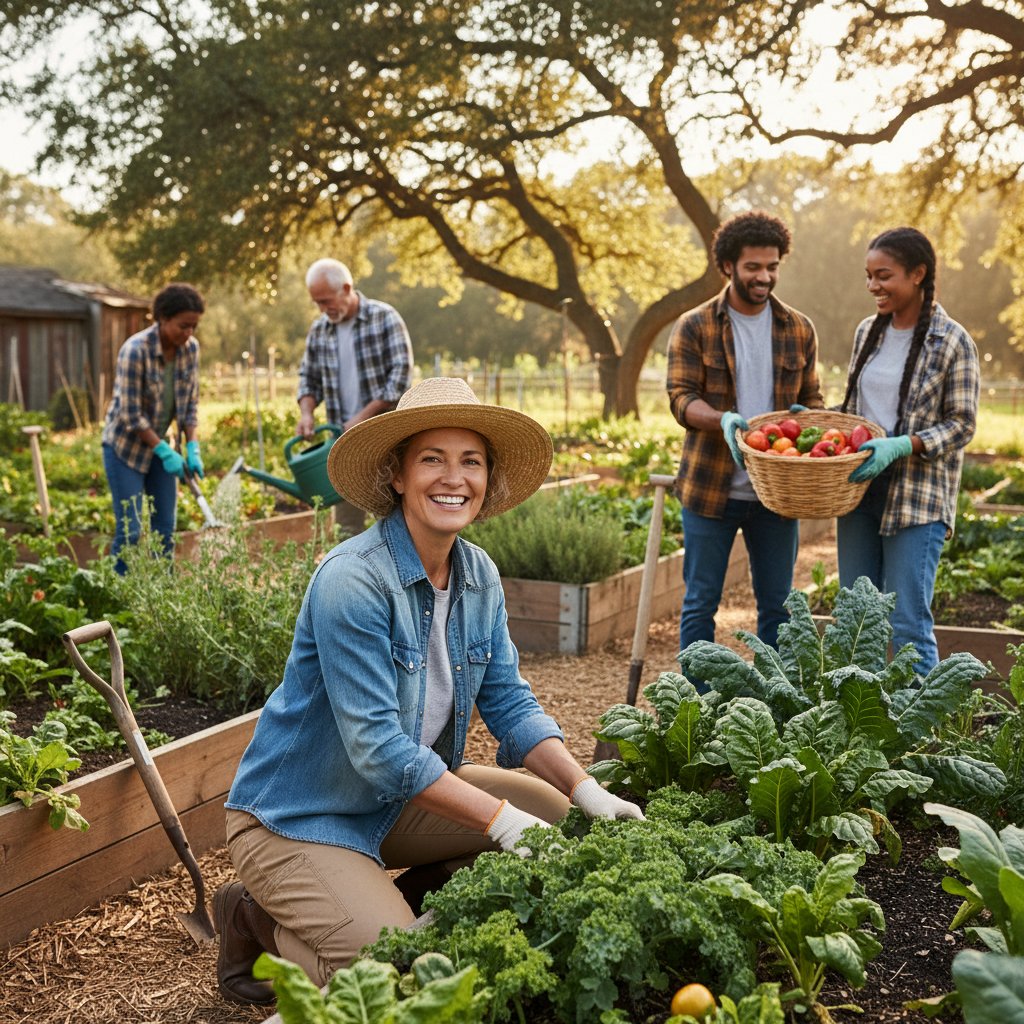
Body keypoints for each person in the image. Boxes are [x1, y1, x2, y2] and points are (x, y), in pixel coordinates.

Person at [214, 377, 644, 1005]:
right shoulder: (353, 582)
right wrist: (499, 822)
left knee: (559, 822)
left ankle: (380, 898)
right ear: (397, 475)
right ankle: (261, 923)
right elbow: (380, 750)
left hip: (393, 804)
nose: (454, 477)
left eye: (471, 460)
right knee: (399, 971)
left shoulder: (479, 575)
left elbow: (508, 702)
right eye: (432, 459)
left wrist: (587, 790)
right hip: (299, 818)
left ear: (487, 479)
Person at [666, 210, 823, 654]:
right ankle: (693, 708)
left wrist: (805, 417)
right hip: (710, 489)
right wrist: (723, 420)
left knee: (778, 606)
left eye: (772, 267)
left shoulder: (798, 328)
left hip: (776, 491)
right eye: (753, 267)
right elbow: (681, 397)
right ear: (728, 266)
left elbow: (813, 398)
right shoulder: (695, 325)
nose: (765, 276)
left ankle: (772, 706)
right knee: (701, 603)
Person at [837, 227, 979, 676]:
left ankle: (919, 736)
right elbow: (859, 411)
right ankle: (861, 728)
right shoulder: (867, 332)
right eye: (868, 276)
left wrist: (905, 445)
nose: (873, 286)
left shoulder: (952, 341)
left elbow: (963, 423)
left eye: (884, 275)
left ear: (918, 274)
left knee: (907, 625)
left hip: (917, 500)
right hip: (860, 491)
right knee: (857, 622)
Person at [296, 257, 413, 537]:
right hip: (343, 444)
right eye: (317, 303)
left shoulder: (384, 318)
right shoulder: (320, 330)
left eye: (326, 301)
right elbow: (308, 378)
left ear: (347, 288)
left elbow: (400, 377)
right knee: (346, 527)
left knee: (394, 519)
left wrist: (363, 416)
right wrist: (307, 413)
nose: (323, 309)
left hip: (385, 441)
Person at [101, 283, 205, 574]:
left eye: (194, 327)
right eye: (183, 326)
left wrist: (192, 446)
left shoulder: (190, 350)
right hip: (125, 448)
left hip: (163, 446)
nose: (189, 334)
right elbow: (131, 415)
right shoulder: (135, 350)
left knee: (164, 528)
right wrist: (163, 450)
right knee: (131, 529)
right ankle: (119, 591)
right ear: (162, 318)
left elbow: (189, 406)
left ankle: (164, 591)